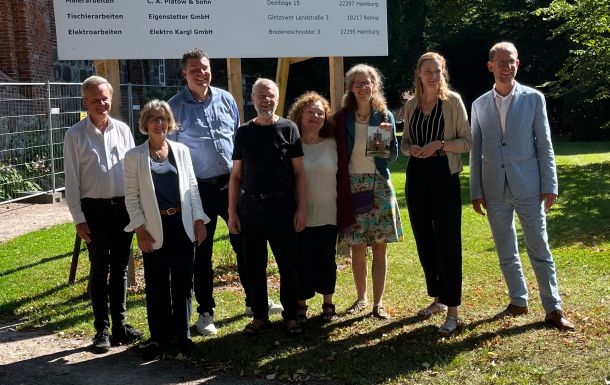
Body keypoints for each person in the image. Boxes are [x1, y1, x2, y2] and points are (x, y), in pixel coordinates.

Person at [168, 49, 281, 336]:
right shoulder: (174, 107)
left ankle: (254, 302)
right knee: (201, 253)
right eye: (194, 69)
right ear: (184, 73)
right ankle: (206, 312)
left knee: (245, 245)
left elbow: (238, 141)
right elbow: (170, 154)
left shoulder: (226, 99)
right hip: (198, 189)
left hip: (232, 185)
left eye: (204, 67)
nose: (200, 72)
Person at [470, 42, 575, 331]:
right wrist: (476, 190)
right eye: (501, 61)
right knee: (506, 248)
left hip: (529, 185)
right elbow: (475, 149)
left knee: (539, 247)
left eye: (512, 61)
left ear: (518, 64)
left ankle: (553, 307)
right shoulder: (478, 104)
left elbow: (545, 144)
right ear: (490, 65)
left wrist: (549, 183)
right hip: (494, 188)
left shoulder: (534, 99)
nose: (507, 66)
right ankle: (518, 300)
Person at [123, 100, 210, 359]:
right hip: (153, 227)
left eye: (163, 118)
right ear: (145, 124)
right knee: (157, 283)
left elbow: (192, 188)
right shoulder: (134, 157)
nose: (159, 123)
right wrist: (139, 228)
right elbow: (131, 197)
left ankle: (183, 335)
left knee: (184, 282)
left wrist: (198, 219)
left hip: (181, 225)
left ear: (170, 122)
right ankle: (160, 337)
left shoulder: (181, 151)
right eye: (154, 119)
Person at [64, 75, 143, 352]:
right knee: (99, 270)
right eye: (95, 99)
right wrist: (78, 218)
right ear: (85, 102)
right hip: (94, 211)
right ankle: (102, 330)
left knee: (120, 268)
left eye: (105, 98)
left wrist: (136, 209)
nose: (101, 103)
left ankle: (120, 326)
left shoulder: (123, 130)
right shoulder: (75, 135)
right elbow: (72, 180)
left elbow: (133, 173)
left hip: (122, 208)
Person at [400, 52, 472, 335]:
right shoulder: (411, 104)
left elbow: (467, 141)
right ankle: (438, 299)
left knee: (448, 242)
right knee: (424, 240)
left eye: (438, 71)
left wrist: (439, 145)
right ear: (419, 73)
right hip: (416, 176)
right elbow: (404, 142)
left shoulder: (452, 102)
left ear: (443, 73)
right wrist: (412, 150)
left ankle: (452, 310)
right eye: (428, 71)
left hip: (444, 175)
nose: (433, 76)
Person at [228, 78, 306, 335]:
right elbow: (236, 176)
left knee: (288, 263)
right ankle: (260, 315)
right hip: (251, 208)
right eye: (261, 95)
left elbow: (299, 174)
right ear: (252, 99)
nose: (266, 99)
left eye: (271, 95)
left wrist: (301, 208)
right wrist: (231, 212)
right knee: (253, 265)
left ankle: (291, 316)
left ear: (277, 98)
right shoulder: (243, 132)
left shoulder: (289, 129)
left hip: (283, 206)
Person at [335, 64, 403, 320]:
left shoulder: (383, 115)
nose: (363, 87)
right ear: (351, 88)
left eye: (367, 83)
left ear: (375, 86)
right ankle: (361, 299)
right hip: (352, 185)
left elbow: (391, 156)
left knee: (380, 247)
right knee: (357, 247)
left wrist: (384, 143)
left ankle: (378, 303)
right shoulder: (342, 118)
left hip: (378, 185)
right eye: (358, 83)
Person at [287, 92, 338, 323]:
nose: (315, 116)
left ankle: (328, 302)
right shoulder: (290, 145)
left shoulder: (333, 144)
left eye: (320, 113)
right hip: (301, 214)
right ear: (300, 114)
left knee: (327, 259)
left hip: (329, 213)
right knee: (302, 260)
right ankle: (301, 304)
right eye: (310, 112)